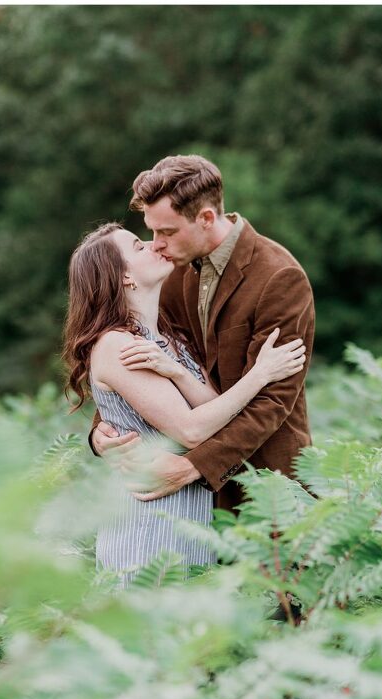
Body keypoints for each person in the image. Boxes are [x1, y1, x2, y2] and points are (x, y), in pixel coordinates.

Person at [62, 222, 306, 586]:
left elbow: (214, 407)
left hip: (190, 525)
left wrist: (177, 372)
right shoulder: (116, 345)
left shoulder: (166, 337)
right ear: (124, 277)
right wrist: (260, 374)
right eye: (138, 245)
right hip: (148, 532)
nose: (153, 245)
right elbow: (192, 430)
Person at [91, 155, 315, 513]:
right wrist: (104, 428)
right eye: (151, 231)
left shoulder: (279, 277)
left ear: (207, 218)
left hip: (271, 490)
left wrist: (192, 466)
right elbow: (144, 349)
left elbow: (273, 401)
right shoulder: (170, 272)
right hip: (192, 505)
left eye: (167, 232)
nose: (156, 244)